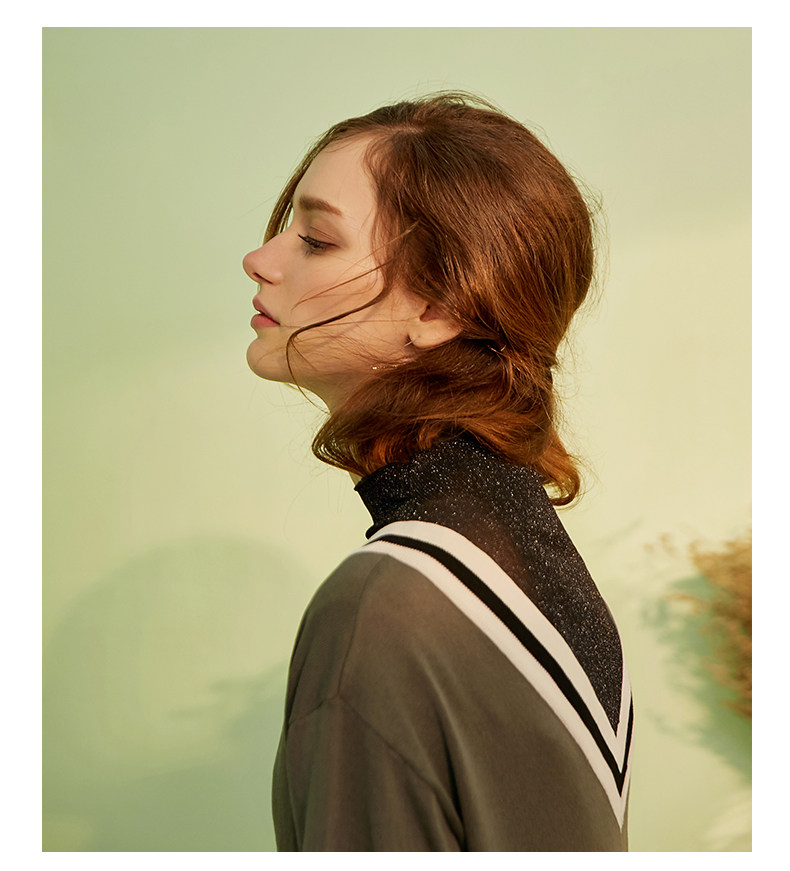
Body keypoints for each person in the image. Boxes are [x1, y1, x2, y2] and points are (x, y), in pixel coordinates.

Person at [243, 92, 633, 852]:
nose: (260, 259)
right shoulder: (562, 588)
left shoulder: (384, 605)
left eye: (316, 239)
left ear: (440, 307)